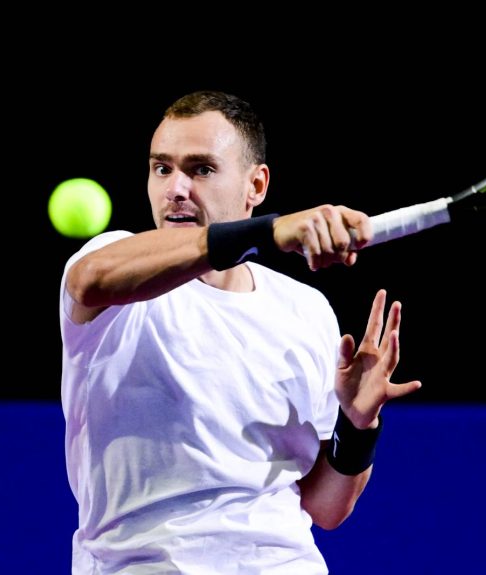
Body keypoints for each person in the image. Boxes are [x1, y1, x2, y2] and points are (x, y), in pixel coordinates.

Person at [58, 90, 422, 574]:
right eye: (162, 168)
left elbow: (325, 509)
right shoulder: (113, 266)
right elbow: (91, 280)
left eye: (201, 169)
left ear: (256, 185)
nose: (176, 189)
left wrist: (357, 426)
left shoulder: (306, 310)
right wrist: (268, 232)